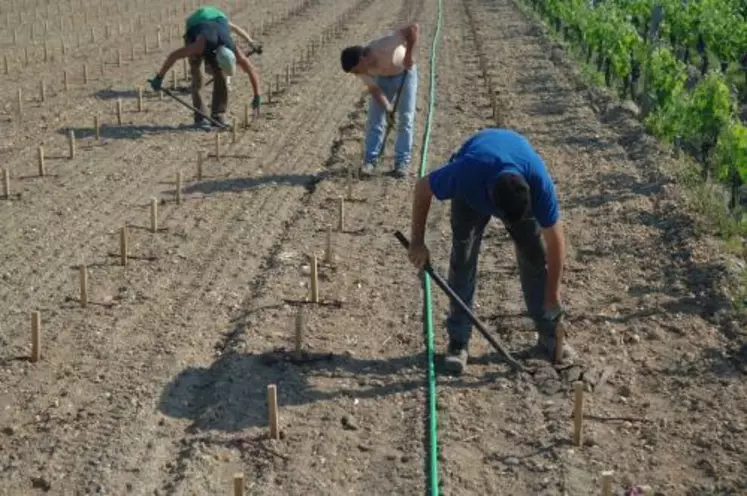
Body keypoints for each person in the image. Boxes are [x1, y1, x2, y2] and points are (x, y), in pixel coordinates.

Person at [406, 128, 574, 374]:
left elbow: (556, 243)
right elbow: (422, 188)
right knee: (463, 256)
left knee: (535, 256)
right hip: (471, 191)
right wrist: (417, 242)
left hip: (512, 162)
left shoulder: (538, 181)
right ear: (491, 201)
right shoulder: (465, 174)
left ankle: (549, 336)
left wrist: (553, 294)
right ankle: (458, 342)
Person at [149, 5, 262, 129]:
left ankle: (218, 115)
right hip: (195, 23)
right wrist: (159, 77)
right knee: (197, 75)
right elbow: (173, 56)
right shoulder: (198, 46)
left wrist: (257, 96)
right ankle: (200, 117)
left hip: (217, 16)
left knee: (221, 77)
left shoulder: (232, 47)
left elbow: (251, 70)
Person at [340, 23, 419, 178]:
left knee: (406, 118)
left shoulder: (385, 43)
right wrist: (388, 107)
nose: (357, 74)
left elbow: (413, 28)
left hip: (405, 73)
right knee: (375, 119)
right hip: (382, 79)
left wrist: (409, 55)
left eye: (356, 70)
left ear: (362, 59)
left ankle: (402, 163)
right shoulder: (363, 71)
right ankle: (370, 161)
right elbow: (375, 90)